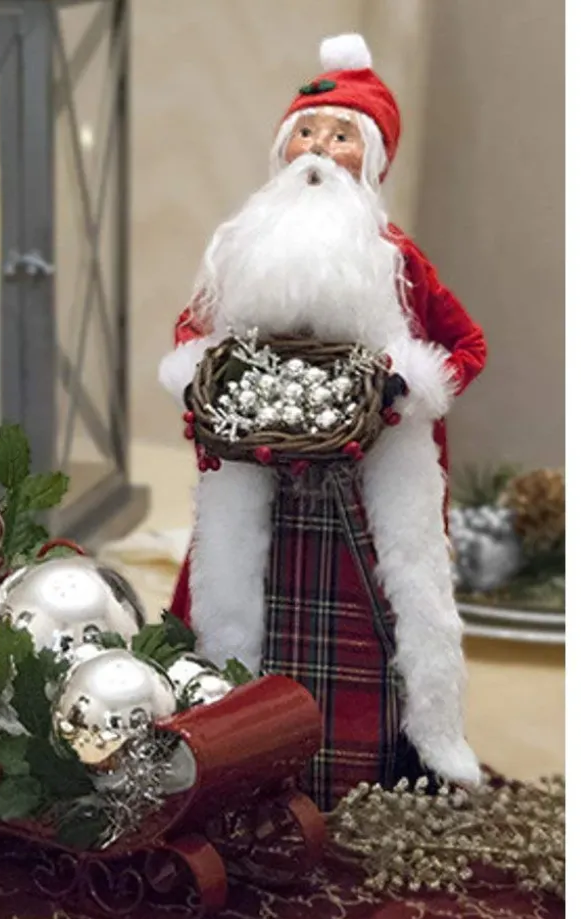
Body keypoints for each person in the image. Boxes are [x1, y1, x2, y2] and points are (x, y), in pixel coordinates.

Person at [158, 34, 487, 810]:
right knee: (236, 601)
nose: (318, 148)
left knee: (376, 613)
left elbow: (465, 345)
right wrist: (199, 373)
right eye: (305, 131)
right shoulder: (243, 246)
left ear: (371, 158)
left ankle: (371, 763)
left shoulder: (395, 256)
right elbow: (193, 329)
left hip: (368, 478)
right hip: (256, 463)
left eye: (341, 136)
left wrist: (405, 387)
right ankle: (233, 745)